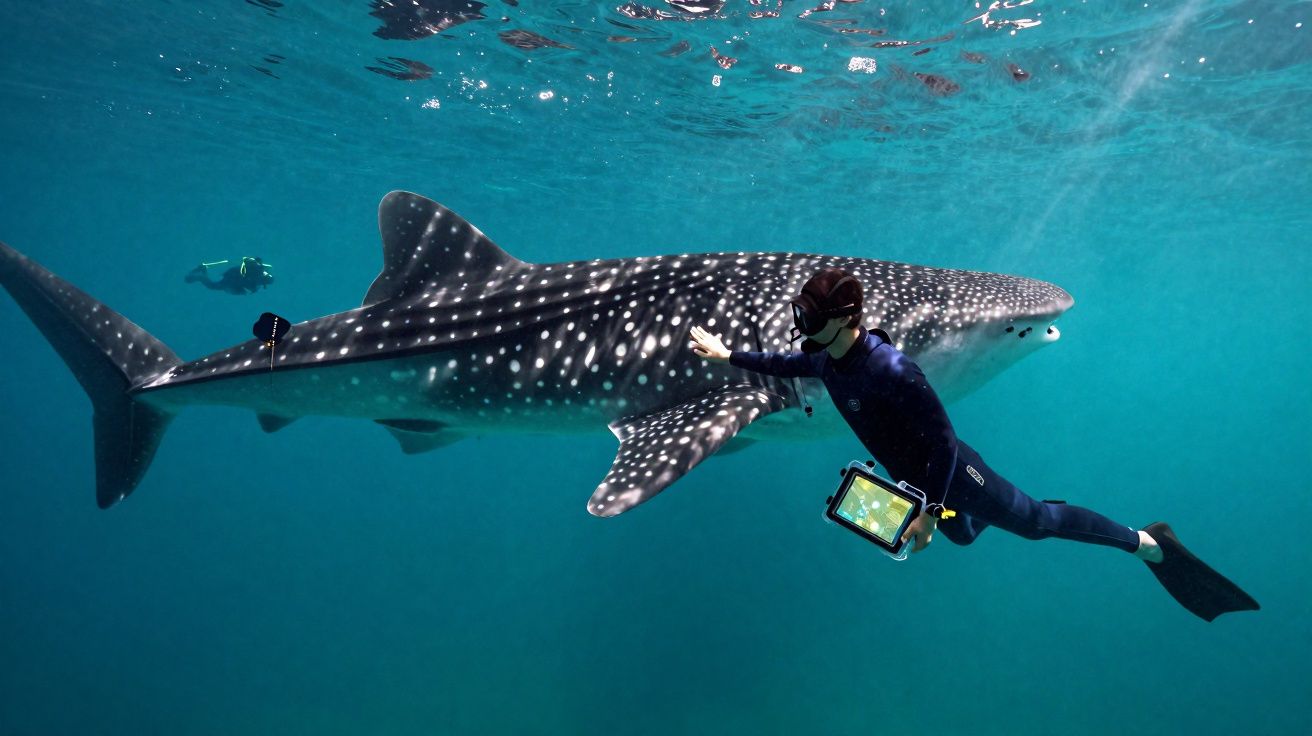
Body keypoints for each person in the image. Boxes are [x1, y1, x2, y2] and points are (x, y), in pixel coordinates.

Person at [687, 267, 1258, 621]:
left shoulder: (891, 368)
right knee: (962, 534)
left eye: (809, 317)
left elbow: (941, 438)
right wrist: (726, 354)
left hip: (952, 472)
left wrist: (929, 510)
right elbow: (782, 362)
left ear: (843, 318)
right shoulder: (824, 359)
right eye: (799, 313)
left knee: (1036, 523)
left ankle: (1148, 543)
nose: (801, 325)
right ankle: (987, 511)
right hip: (916, 479)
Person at [185, 256, 274, 295]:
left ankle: (201, 272)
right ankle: (199, 275)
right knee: (213, 286)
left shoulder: (257, 279)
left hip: (233, 277)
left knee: (214, 286)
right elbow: (244, 288)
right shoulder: (257, 277)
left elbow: (244, 289)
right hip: (233, 278)